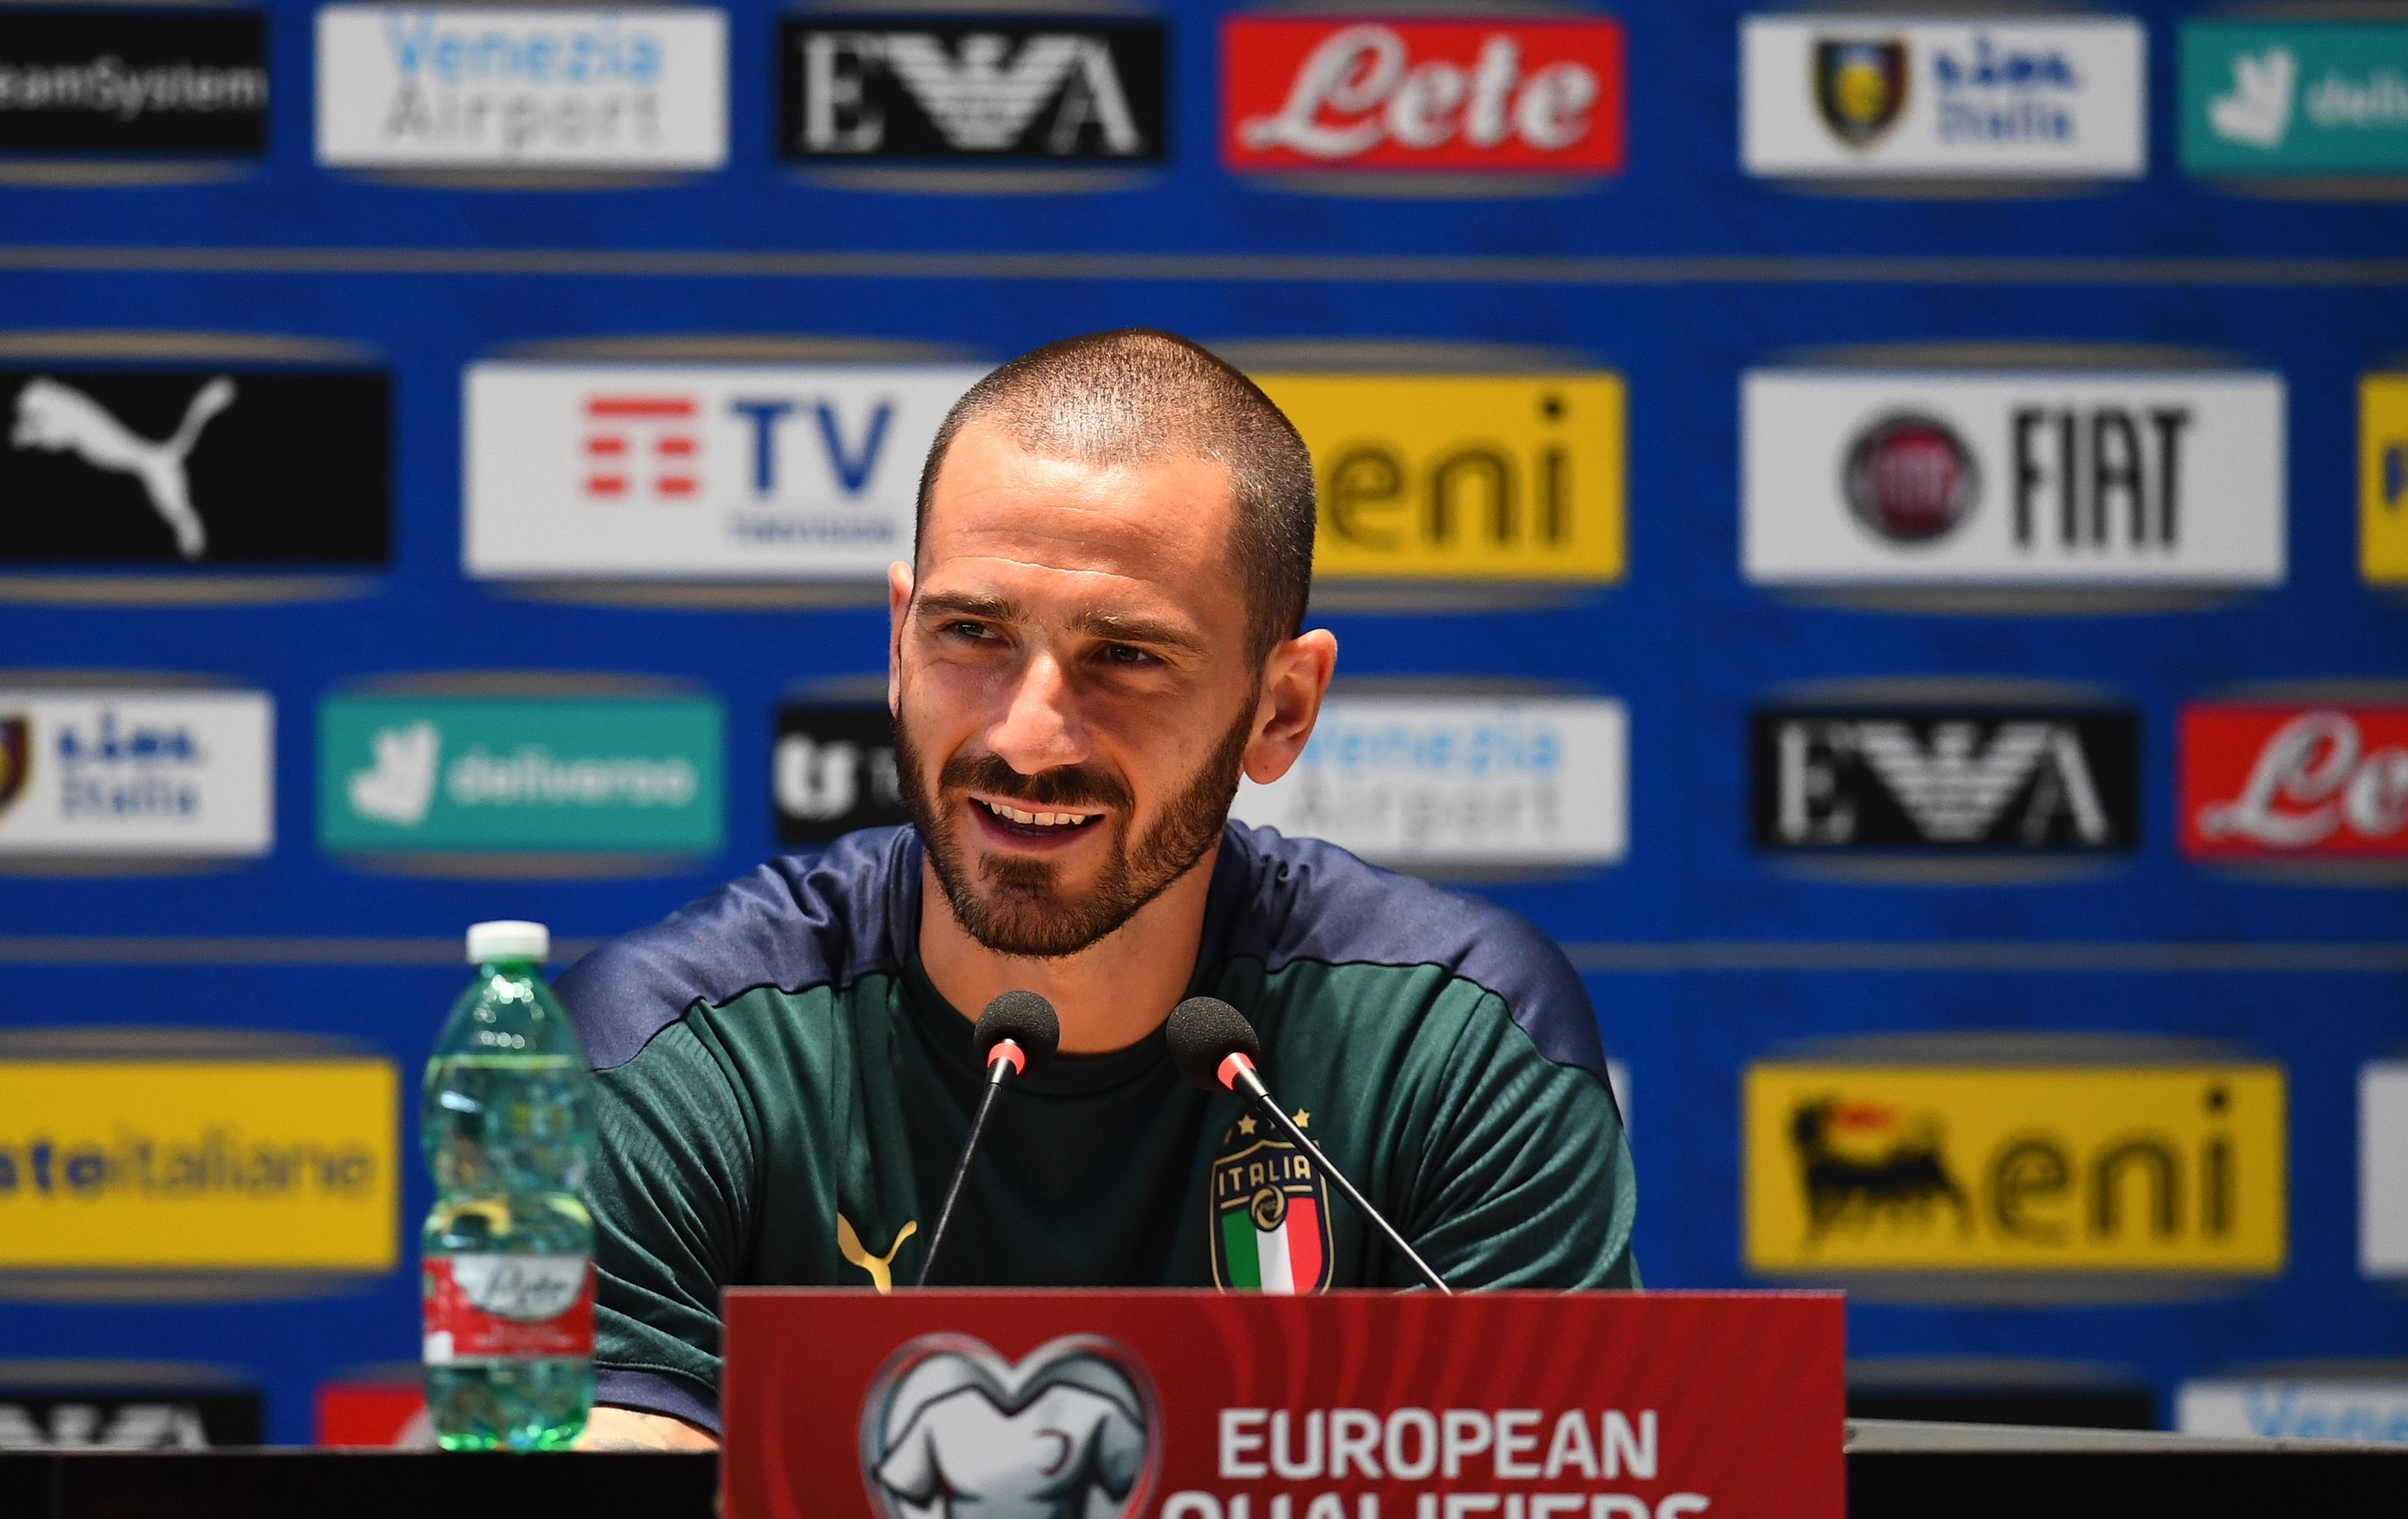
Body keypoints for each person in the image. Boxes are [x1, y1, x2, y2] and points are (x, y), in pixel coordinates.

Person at [560, 330, 1637, 1451]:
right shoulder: (677, 1044)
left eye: (1125, 656)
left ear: (1281, 710)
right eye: (971, 633)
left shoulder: (1449, 1033)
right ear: (897, 641)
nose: (1026, 741)